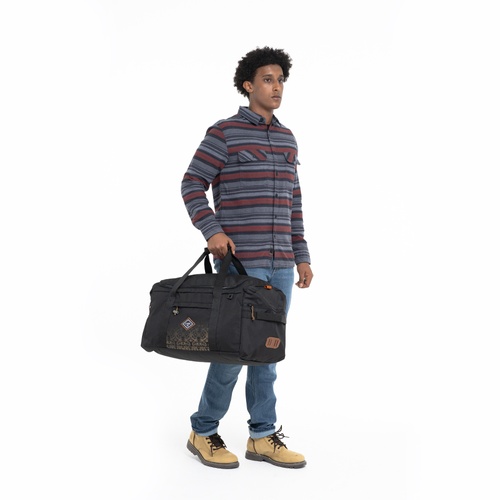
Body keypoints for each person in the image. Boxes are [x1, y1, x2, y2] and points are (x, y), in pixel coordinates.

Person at [180, 46, 313, 469]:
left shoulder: (288, 139)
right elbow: (191, 183)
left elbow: (294, 202)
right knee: (232, 353)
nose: (277, 88)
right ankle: (203, 431)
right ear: (248, 85)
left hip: (282, 265)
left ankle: (262, 436)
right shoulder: (224, 133)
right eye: (268, 80)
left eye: (281, 81)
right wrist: (212, 230)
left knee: (267, 353)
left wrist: (301, 255)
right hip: (242, 264)